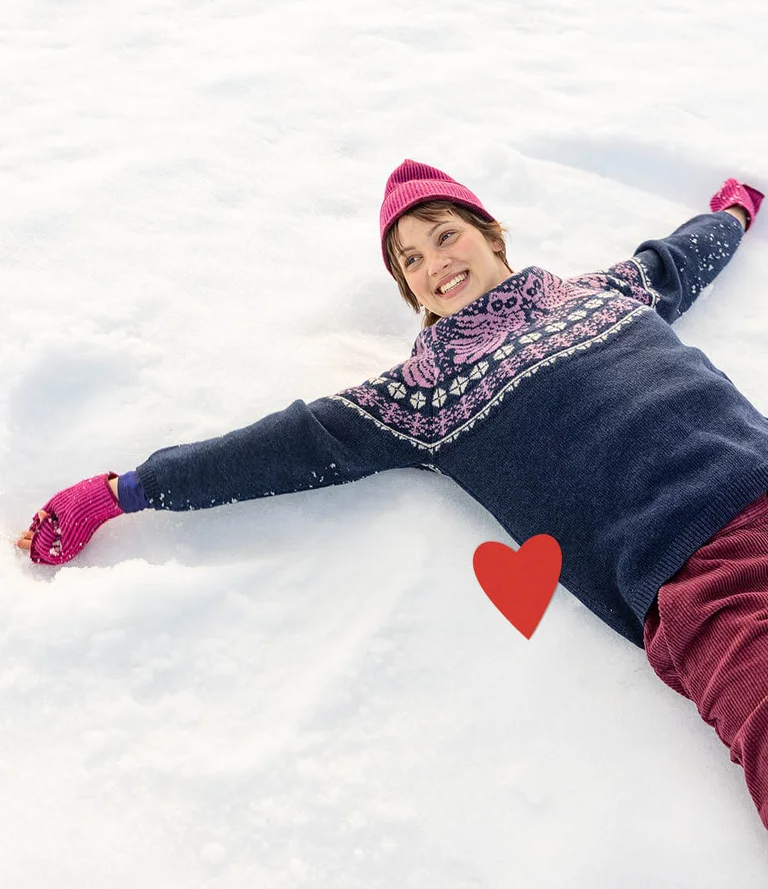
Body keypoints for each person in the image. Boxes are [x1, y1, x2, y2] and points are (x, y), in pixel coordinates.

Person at [15, 159, 768, 829]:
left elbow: (677, 259)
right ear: (408, 290)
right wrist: (122, 491)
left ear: (490, 234)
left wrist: (734, 212)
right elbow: (282, 445)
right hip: (699, 574)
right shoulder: (426, 395)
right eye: (411, 260)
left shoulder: (605, 292)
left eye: (444, 236)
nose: (434, 263)